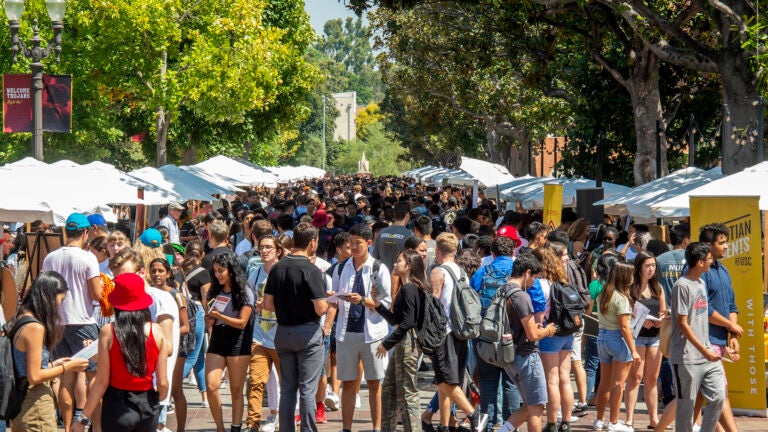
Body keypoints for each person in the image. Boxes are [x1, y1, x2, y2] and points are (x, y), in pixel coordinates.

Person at [72, 273, 169, 432]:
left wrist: (82, 419)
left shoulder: (108, 332)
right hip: (148, 407)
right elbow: (163, 383)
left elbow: (101, 382)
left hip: (117, 407)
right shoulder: (156, 331)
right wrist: (157, 399)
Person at [262, 222, 329, 432]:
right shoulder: (311, 269)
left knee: (288, 387)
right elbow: (320, 308)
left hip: (283, 332)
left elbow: (268, 305)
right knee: (308, 389)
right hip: (307, 333)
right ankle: (308, 429)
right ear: (312, 242)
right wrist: (329, 301)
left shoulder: (277, 268)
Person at [41, 213, 102, 432]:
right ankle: (97, 427)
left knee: (65, 377)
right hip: (83, 323)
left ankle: (67, 428)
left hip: (57, 323)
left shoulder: (50, 258)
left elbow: (44, 292)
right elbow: (96, 294)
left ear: (67, 231)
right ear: (86, 233)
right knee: (95, 377)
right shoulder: (88, 258)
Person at [11, 271, 90, 432]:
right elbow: (34, 377)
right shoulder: (35, 327)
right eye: (60, 300)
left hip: (22, 403)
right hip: (35, 406)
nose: (59, 306)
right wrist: (68, 367)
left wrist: (54, 364)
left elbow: (25, 366)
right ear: (48, 297)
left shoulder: (21, 318)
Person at [331, 223, 392, 432]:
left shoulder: (378, 268)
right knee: (348, 382)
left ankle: (377, 428)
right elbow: (335, 299)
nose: (354, 247)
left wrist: (363, 300)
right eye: (351, 242)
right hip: (345, 331)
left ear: (368, 243)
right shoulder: (341, 267)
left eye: (358, 243)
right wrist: (333, 298)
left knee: (375, 382)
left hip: (373, 333)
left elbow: (386, 303)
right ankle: (346, 428)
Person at [428, 232, 489, 432]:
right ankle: (444, 425)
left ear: (438, 251)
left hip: (443, 332)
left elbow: (434, 304)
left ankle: (474, 415)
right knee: (449, 380)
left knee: (445, 381)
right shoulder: (461, 272)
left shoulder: (438, 272)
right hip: (461, 331)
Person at [495, 253, 557, 432]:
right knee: (536, 406)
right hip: (526, 355)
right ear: (527, 272)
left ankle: (504, 430)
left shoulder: (502, 290)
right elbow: (532, 335)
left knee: (530, 403)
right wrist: (547, 330)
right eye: (535, 277)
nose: (534, 282)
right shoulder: (521, 296)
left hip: (509, 353)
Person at [669, 242, 727, 432]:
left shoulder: (701, 282)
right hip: (686, 357)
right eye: (709, 259)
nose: (712, 262)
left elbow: (707, 313)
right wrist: (704, 350)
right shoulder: (681, 286)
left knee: (718, 396)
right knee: (686, 407)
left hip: (707, 354)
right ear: (701, 262)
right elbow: (683, 324)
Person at [468, 236, 521, 432]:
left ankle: (486, 426)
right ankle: (510, 426)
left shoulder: (482, 272)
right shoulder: (517, 274)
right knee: (511, 382)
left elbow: (472, 299)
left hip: (486, 335)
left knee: (487, 381)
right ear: (513, 252)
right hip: (511, 335)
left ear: (492, 253)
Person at [373, 250, 427, 432]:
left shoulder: (409, 288)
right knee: (389, 389)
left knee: (407, 393)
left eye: (399, 261)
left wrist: (386, 343)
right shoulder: (409, 288)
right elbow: (397, 320)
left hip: (408, 343)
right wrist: (378, 305)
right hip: (403, 342)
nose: (395, 264)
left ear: (409, 266)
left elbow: (407, 323)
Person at [696, 224, 742, 432]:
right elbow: (705, 309)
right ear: (708, 245)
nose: (726, 246)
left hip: (719, 341)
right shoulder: (700, 272)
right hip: (704, 342)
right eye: (721, 243)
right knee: (719, 394)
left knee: (699, 399)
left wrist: (732, 333)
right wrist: (731, 325)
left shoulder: (723, 270)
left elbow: (731, 305)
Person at [206, 253, 255, 432]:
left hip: (239, 341)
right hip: (218, 338)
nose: (218, 275)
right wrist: (210, 319)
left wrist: (220, 316)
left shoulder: (245, 291)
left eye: (221, 271)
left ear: (231, 271)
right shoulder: (214, 291)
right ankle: (220, 428)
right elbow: (210, 321)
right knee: (211, 385)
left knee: (236, 389)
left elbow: (242, 322)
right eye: (216, 271)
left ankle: (235, 427)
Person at [531, 246, 575, 432]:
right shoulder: (562, 280)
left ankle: (551, 422)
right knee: (565, 378)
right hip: (567, 332)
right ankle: (566, 422)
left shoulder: (538, 284)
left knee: (551, 380)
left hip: (549, 333)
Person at [623, 252, 667, 429]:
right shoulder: (630, 288)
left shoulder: (658, 288)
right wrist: (642, 321)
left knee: (652, 378)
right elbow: (625, 315)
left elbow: (663, 312)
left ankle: (654, 419)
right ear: (639, 267)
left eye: (653, 265)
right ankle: (629, 418)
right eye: (647, 265)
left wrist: (661, 320)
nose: (651, 269)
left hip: (655, 337)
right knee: (635, 377)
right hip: (637, 337)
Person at [593, 262, 639, 432]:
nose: (633, 278)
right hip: (618, 339)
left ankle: (599, 420)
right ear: (624, 277)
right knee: (618, 384)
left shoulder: (604, 294)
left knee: (604, 382)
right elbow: (625, 327)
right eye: (631, 275)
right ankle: (613, 422)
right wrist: (634, 350)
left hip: (602, 337)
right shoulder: (621, 298)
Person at [245, 235, 284, 432]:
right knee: (256, 381)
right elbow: (249, 304)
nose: (264, 251)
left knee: (287, 384)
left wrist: (270, 305)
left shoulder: (284, 273)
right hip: (259, 337)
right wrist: (255, 307)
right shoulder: (255, 274)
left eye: (269, 247)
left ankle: (284, 419)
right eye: (261, 247)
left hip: (282, 338)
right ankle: (252, 423)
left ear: (278, 251)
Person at [149, 258, 191, 432]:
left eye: (160, 271)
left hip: (176, 347)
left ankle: (180, 428)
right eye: (154, 271)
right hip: (154, 348)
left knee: (175, 389)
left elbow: (185, 326)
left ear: (168, 273)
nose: (157, 274)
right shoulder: (149, 293)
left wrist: (166, 333)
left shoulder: (175, 294)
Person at [655, 224, 689, 406]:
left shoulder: (659, 260)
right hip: (687, 313)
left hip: (665, 312)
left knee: (667, 354)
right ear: (686, 240)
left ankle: (668, 394)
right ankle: (684, 392)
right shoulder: (691, 259)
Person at [372, 201, 413, 270]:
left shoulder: (381, 233)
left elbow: (374, 258)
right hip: (400, 277)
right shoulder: (410, 235)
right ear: (407, 215)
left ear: (394, 214)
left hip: (382, 276)